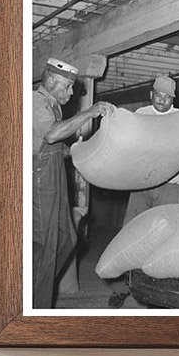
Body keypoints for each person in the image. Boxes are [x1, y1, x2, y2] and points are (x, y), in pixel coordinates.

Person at [32, 57, 114, 308]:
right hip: (40, 180)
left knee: (66, 237)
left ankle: (35, 285)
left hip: (54, 176)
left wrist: (82, 149)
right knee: (44, 244)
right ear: (51, 80)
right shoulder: (37, 102)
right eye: (67, 87)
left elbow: (56, 147)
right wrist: (89, 112)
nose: (71, 92)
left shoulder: (53, 105)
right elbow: (51, 134)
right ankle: (35, 303)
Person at [122, 74, 179, 226]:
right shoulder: (141, 114)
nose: (162, 100)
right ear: (151, 95)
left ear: (173, 99)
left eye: (167, 97)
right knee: (132, 229)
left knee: (167, 232)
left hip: (170, 188)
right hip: (142, 184)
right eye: (158, 95)